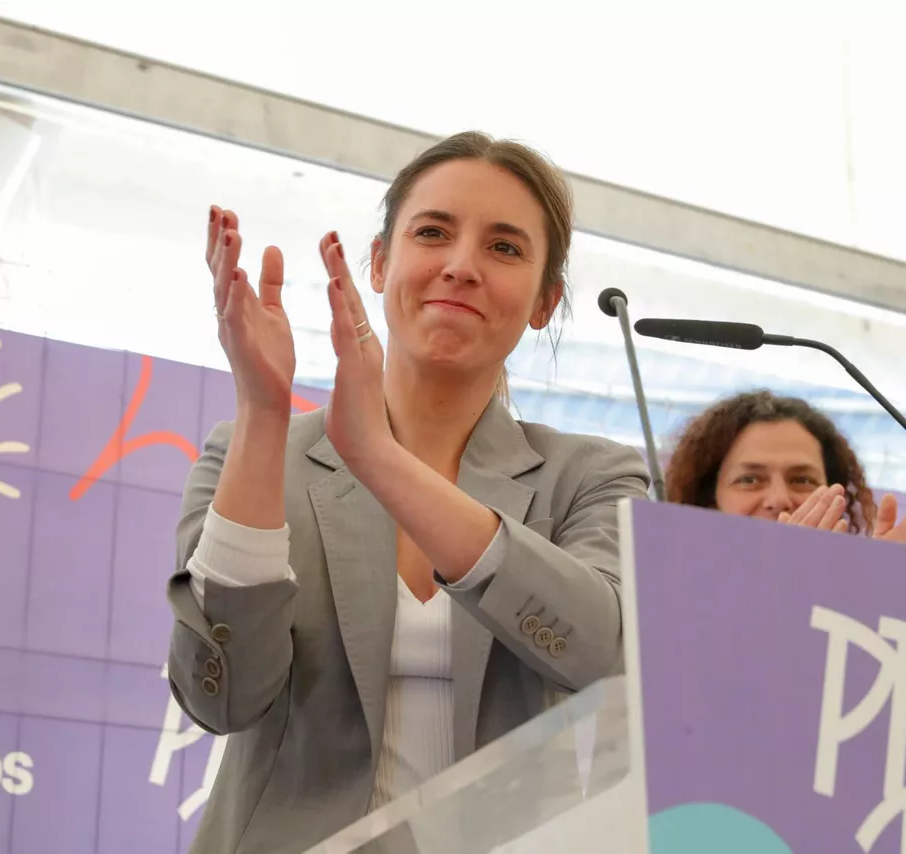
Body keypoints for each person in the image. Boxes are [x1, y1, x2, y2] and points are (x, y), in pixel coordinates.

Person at [166, 131, 651, 853]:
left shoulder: (592, 476)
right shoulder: (253, 452)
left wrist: (382, 461)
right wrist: (263, 415)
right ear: (380, 261)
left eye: (505, 248)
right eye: (433, 233)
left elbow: (598, 653)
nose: (461, 267)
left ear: (545, 302)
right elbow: (221, 698)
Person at [663, 389, 906, 548]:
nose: (779, 499)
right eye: (749, 479)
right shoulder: (667, 592)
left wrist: (890, 583)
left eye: (802, 480)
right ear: (709, 501)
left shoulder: (852, 592)